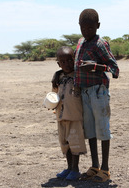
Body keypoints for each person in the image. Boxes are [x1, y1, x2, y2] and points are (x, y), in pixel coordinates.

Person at [75, 8, 119, 183]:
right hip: (84, 92)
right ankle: (95, 166)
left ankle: (105, 169)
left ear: (98, 26)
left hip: (98, 92)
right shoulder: (80, 43)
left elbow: (114, 69)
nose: (86, 31)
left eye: (90, 28)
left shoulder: (101, 44)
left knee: (103, 129)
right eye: (83, 28)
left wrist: (95, 66)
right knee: (91, 130)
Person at [51, 46, 87, 181]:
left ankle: (76, 169)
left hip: (75, 116)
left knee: (74, 143)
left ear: (75, 60)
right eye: (63, 62)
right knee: (65, 143)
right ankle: (69, 167)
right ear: (59, 64)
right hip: (61, 116)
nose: (67, 64)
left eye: (69, 60)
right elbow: (53, 94)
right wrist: (52, 104)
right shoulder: (58, 76)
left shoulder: (79, 75)